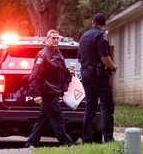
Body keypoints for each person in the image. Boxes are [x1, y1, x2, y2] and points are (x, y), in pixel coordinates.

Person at [24, 29, 73, 148]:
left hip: (55, 92)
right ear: (47, 40)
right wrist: (36, 94)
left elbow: (60, 73)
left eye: (57, 38)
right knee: (58, 118)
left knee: (43, 120)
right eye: (53, 38)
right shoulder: (43, 55)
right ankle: (66, 143)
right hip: (48, 93)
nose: (56, 40)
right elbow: (34, 76)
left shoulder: (58, 53)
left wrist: (69, 73)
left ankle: (30, 143)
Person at [78, 13, 117, 143]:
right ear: (104, 24)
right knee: (107, 106)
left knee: (90, 107)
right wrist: (113, 68)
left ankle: (86, 138)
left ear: (92, 22)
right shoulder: (101, 35)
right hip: (98, 75)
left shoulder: (83, 37)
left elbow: (80, 58)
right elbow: (104, 56)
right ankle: (108, 138)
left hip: (85, 74)